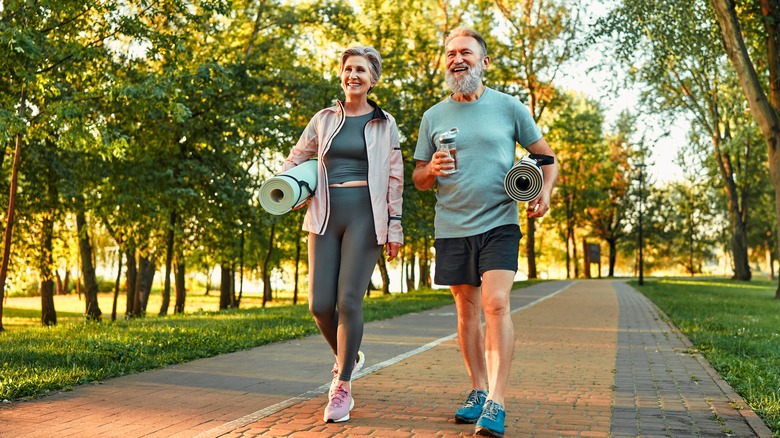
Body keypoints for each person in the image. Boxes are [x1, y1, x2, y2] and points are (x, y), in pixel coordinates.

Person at [412, 27, 558, 438]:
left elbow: (547, 158)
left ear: (484, 61)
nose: (457, 59)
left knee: (495, 304)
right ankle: (477, 388)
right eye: (450, 53)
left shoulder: (509, 107)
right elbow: (419, 178)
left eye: (466, 53)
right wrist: (430, 171)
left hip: (500, 222)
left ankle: (497, 400)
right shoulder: (433, 116)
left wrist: (544, 192)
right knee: (466, 312)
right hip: (452, 225)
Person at [281, 45, 404, 423]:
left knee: (349, 301)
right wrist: (291, 186)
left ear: (373, 79)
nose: (354, 75)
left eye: (361, 71)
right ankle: (348, 355)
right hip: (324, 215)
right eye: (349, 69)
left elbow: (396, 177)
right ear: (342, 75)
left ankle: (343, 385)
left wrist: (395, 226)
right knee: (319, 305)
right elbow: (296, 157)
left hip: (366, 217)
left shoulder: (385, 123)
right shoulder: (323, 119)